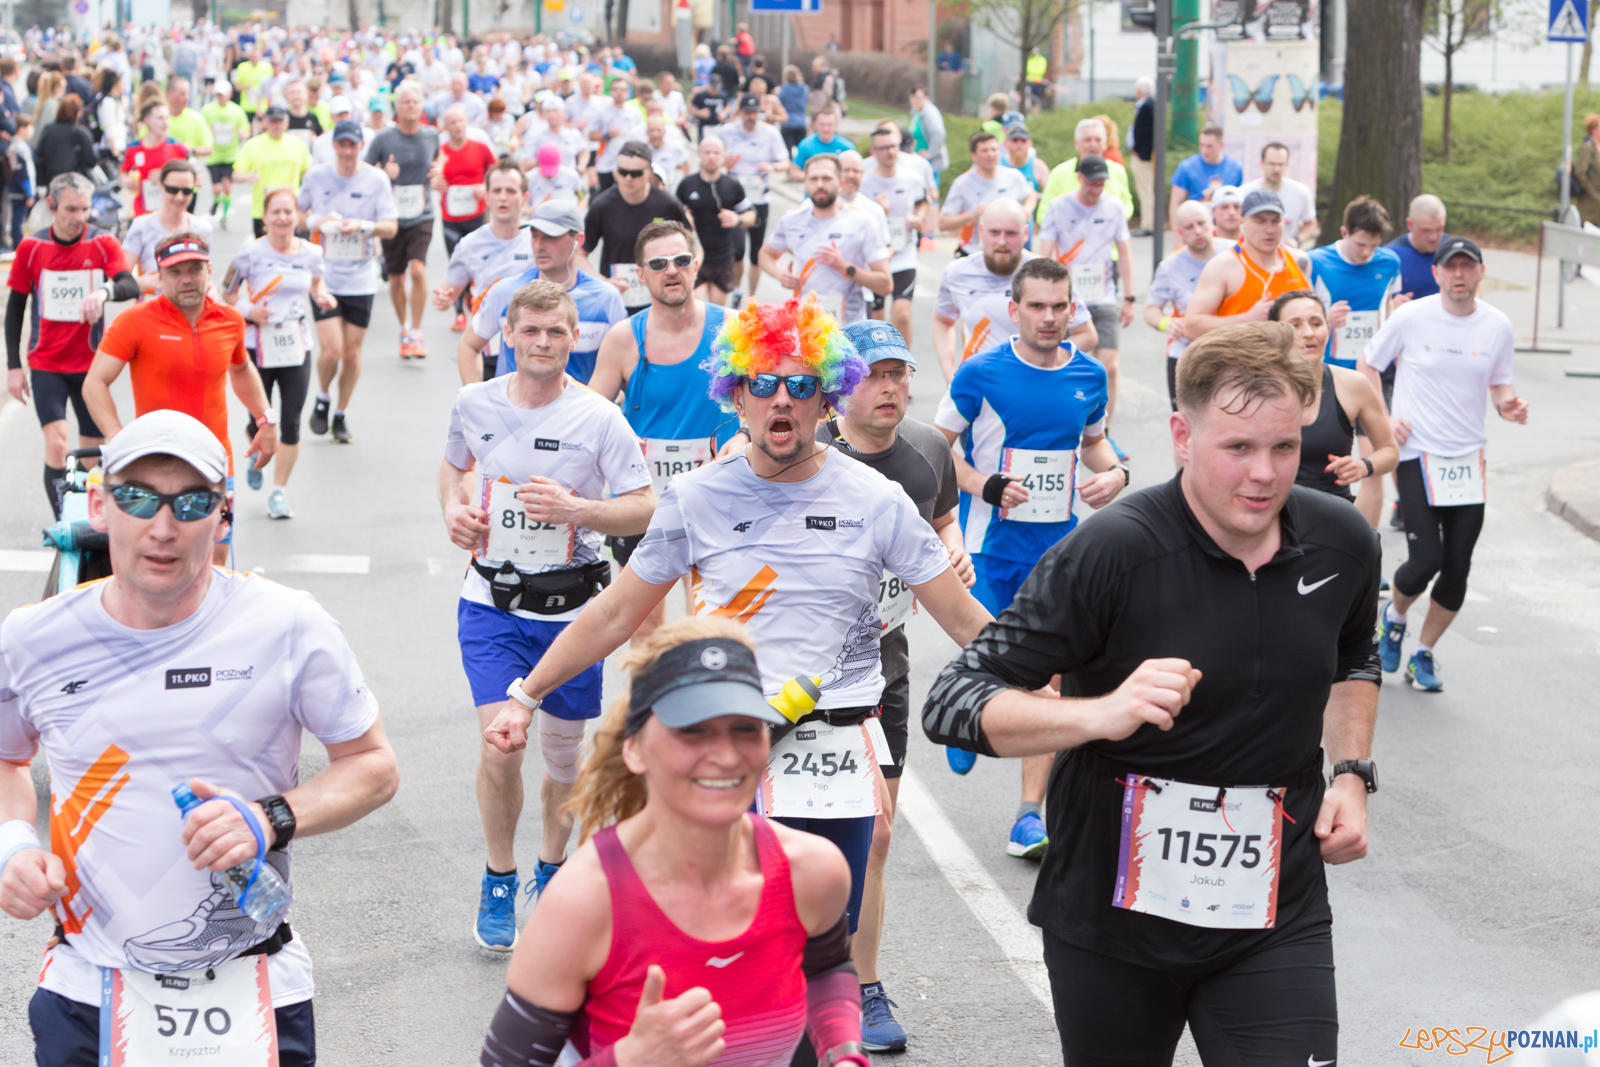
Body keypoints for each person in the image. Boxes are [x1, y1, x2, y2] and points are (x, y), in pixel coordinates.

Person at [923, 320, 1379, 1067]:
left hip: (1275, 910)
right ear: (1180, 434)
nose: (1264, 473)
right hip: (1113, 920)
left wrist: (1353, 775)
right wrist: (1098, 713)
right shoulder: (1113, 550)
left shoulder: (1341, 541)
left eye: (1284, 447)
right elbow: (955, 698)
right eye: (1237, 447)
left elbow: (1355, 653)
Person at [484, 293, 994, 951]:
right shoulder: (697, 497)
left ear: (827, 397)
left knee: (823, 941)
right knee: (725, 937)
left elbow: (961, 616)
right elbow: (614, 612)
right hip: (723, 740)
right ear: (738, 395)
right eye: (764, 383)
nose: (782, 398)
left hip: (835, 743)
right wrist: (526, 696)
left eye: (802, 384)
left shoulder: (878, 500)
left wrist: (1046, 685)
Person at [0, 406, 398, 1067]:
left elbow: (374, 764)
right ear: (98, 506)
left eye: (190, 502)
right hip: (88, 987)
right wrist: (12, 846)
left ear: (225, 513)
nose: (162, 527)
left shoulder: (288, 625)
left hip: (253, 982)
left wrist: (270, 817)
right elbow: (7, 761)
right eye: (136, 498)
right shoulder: (33, 637)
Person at [475, 616, 869, 1067]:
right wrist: (631, 1060)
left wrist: (843, 1053)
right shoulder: (584, 903)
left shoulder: (811, 871)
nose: (724, 755)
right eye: (693, 730)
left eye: (745, 728)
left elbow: (826, 970)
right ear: (635, 749)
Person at [438, 279, 655, 950]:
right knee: (501, 744)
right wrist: (453, 511)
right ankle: (499, 873)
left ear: (573, 338)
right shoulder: (472, 402)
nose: (541, 342)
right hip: (492, 603)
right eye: (529, 330)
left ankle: (553, 865)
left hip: (573, 612)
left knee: (563, 759)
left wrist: (580, 510)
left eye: (554, 332)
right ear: (507, 334)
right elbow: (452, 468)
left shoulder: (597, 417)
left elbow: (645, 504)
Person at [931, 257, 1130, 853]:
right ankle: (967, 715)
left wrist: (1117, 473)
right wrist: (985, 486)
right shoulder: (980, 373)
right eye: (1037, 306)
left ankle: (1028, 816)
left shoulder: (1089, 376)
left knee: (1052, 683)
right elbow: (935, 451)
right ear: (1013, 311)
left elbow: (1094, 444)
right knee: (992, 662)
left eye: (1059, 306)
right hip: (992, 552)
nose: (1049, 317)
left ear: (1074, 309)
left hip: (1061, 554)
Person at [821, 319, 969, 1052]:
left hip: (886, 667)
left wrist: (952, 549)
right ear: (841, 383)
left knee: (874, 835)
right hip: (798, 681)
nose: (889, 387)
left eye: (899, 373)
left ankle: (861, 983)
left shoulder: (929, 450)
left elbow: (944, 519)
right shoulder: (807, 452)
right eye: (874, 374)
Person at [1363, 237, 1527, 693]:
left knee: (1458, 567)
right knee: (1425, 559)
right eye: (1450, 267)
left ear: (1480, 272)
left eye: (1467, 267)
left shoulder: (1497, 325)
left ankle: (1423, 653)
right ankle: (1393, 616)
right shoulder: (1412, 317)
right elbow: (1368, 364)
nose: (1459, 275)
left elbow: (1500, 384)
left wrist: (1508, 405)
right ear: (1436, 273)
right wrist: (1385, 417)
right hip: (1417, 452)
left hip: (1468, 458)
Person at [588, 219, 741, 625]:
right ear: (641, 276)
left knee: (710, 624)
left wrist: (742, 435)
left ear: (695, 266)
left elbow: (771, 401)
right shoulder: (623, 338)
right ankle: (648, 692)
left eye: (680, 260)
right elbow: (588, 417)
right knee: (643, 628)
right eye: (658, 264)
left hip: (718, 496)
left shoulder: (733, 329)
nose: (670, 270)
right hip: (644, 502)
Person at [84, 233, 279, 533]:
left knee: (215, 556)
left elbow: (240, 370)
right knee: (160, 554)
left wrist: (266, 419)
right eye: (175, 272)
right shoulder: (134, 321)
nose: (186, 279)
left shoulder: (230, 320)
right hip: (154, 464)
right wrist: (115, 434)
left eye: (194, 269)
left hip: (214, 461)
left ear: (209, 271)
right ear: (158, 278)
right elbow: (95, 382)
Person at [4, 172, 138, 517]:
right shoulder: (32, 247)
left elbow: (128, 284)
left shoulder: (102, 242)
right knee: (58, 443)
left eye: (84, 208)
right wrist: (13, 367)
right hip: (47, 362)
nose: (79, 216)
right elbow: (15, 308)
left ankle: (88, 515)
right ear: (52, 206)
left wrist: (103, 291)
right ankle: (65, 518)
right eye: (70, 209)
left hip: (92, 366)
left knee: (92, 452)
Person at [220, 187, 336, 519]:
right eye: (276, 212)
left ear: (296, 216)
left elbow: (316, 283)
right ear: (265, 217)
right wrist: (248, 309)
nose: (283, 218)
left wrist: (323, 296)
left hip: (295, 344)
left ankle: (279, 491)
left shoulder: (312, 253)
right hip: (257, 345)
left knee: (290, 422)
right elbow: (227, 293)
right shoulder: (248, 254)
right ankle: (258, 452)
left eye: (289, 212)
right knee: (256, 419)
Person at [299, 119, 400, 446]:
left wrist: (363, 225)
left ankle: (340, 414)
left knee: (352, 355)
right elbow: (297, 215)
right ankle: (322, 396)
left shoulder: (377, 179)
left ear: (360, 147)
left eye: (351, 145)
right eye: (341, 145)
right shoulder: (316, 176)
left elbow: (391, 226)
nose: (346, 151)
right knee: (331, 351)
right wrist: (319, 221)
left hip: (360, 278)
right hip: (323, 275)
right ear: (334, 147)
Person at [1308, 196, 1404, 531]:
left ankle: (1368, 553)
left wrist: (1397, 315)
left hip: (1370, 378)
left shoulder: (1389, 263)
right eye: (1361, 244)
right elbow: (1297, 315)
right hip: (1329, 378)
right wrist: (1323, 318)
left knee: (1372, 466)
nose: (1367, 252)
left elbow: (1390, 308)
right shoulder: (1316, 262)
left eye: (1373, 246)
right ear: (1344, 232)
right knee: (1323, 468)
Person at [930, 198, 1097, 383]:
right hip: (978, 385)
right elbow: (942, 321)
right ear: (981, 232)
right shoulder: (957, 272)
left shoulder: (1046, 273)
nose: (1002, 241)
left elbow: (1087, 335)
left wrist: (1044, 366)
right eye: (994, 232)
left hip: (1033, 386)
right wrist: (948, 371)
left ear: (1025, 233)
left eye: (1011, 233)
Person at [461, 200, 627, 385]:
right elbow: (468, 346)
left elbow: (624, 362)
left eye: (550, 237)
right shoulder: (505, 292)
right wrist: (476, 402)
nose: (539, 245)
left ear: (578, 240)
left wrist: (602, 407)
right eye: (534, 236)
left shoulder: (607, 298)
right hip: (513, 413)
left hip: (578, 413)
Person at [1037, 155, 1135, 454]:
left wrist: (1129, 297)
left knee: (1110, 366)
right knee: (1067, 363)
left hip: (1103, 296)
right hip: (1068, 299)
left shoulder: (1114, 207)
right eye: (1092, 182)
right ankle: (1069, 428)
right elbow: (1045, 253)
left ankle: (1104, 433)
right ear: (1079, 177)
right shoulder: (1058, 207)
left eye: (1101, 183)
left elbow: (1125, 252)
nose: (1097, 188)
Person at [1269, 290, 1398, 502]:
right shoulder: (1256, 390)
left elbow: (1389, 451)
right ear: (1276, 333)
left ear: (1328, 329)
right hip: (1271, 513)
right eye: (1295, 325)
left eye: (1316, 323)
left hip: (1331, 514)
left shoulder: (1353, 384)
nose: (1309, 332)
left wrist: (1362, 466)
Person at [760, 155, 891, 326]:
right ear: (805, 183)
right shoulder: (792, 220)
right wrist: (780, 275)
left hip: (850, 329)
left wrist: (846, 267)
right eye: (813, 179)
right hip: (806, 328)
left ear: (841, 183)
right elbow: (765, 254)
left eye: (827, 178)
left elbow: (885, 285)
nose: (820, 184)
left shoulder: (863, 222)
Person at [365, 80, 439, 359]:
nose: (411, 106)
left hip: (422, 214)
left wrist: (438, 172)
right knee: (396, 279)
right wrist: (385, 172)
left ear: (422, 106)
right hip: (392, 217)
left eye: (415, 102)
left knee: (418, 270)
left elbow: (438, 160)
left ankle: (417, 332)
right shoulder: (384, 138)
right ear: (396, 106)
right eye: (405, 102)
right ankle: (403, 328)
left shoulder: (431, 135)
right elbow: (367, 171)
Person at [1183, 188, 1311, 339]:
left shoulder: (1299, 261)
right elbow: (1191, 327)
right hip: (1240, 360)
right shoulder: (1223, 266)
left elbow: (1311, 316)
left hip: (1288, 360)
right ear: (1241, 221)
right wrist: (1246, 319)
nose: (1269, 229)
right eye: (1260, 221)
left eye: (1275, 221)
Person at [581, 141, 689, 316]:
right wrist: (604, 283)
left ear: (649, 172)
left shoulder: (667, 204)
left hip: (659, 300)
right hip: (618, 299)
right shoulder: (602, 205)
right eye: (623, 172)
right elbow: (579, 255)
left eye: (635, 173)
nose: (628, 178)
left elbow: (692, 247)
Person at [862, 122, 937, 343]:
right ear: (874, 152)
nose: (890, 152)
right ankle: (877, 365)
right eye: (883, 148)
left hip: (903, 253)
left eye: (893, 146)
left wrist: (919, 217)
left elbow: (922, 202)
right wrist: (877, 210)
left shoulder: (911, 177)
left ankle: (905, 367)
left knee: (901, 314)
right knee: (876, 318)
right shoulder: (865, 182)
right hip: (876, 258)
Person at [1145, 200, 1221, 413]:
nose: (1197, 231)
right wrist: (1166, 323)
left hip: (1231, 350)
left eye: (1201, 223)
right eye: (1189, 227)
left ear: (1211, 222)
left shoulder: (1233, 252)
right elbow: (1151, 308)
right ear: (1179, 232)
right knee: (1186, 422)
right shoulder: (1170, 266)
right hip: (1186, 353)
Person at [433, 106, 504, 330]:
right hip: (450, 216)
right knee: (457, 261)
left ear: (467, 122)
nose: (457, 126)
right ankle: (459, 314)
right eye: (452, 123)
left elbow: (496, 172)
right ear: (446, 126)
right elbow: (432, 176)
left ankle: (474, 301)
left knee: (479, 261)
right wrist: (436, 183)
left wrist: (485, 186)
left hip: (476, 213)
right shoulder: (440, 151)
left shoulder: (480, 147)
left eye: (460, 121)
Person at [714, 93, 788, 306]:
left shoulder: (770, 133)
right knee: (737, 250)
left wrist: (772, 167)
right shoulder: (727, 132)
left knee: (756, 253)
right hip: (734, 197)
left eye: (755, 112)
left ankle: (751, 296)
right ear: (740, 112)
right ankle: (737, 289)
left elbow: (784, 161)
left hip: (760, 198)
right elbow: (711, 157)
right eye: (747, 112)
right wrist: (722, 162)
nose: (751, 116)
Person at [674, 135, 754, 306]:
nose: (712, 156)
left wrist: (738, 219)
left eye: (716, 152)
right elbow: (672, 217)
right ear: (699, 155)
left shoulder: (732, 186)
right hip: (696, 257)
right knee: (698, 310)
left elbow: (751, 216)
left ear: (723, 156)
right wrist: (683, 219)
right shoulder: (687, 185)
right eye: (707, 152)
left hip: (723, 258)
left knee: (717, 315)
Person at [122, 159, 214, 295]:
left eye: (187, 191)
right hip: (151, 311)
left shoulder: (202, 228)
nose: (179, 197)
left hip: (190, 312)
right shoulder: (142, 225)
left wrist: (212, 290)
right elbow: (121, 279)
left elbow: (206, 276)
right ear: (161, 185)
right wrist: (151, 281)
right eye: (172, 190)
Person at [940, 130, 1035, 257]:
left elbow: (1031, 195)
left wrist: (1026, 211)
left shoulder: (1013, 176)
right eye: (985, 151)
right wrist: (973, 213)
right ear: (974, 156)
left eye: (994, 150)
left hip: (1007, 254)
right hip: (974, 253)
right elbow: (943, 223)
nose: (990, 154)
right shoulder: (962, 184)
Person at [1035, 117, 1134, 227]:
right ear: (1076, 144)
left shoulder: (1117, 171)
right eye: (1087, 140)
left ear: (1105, 144)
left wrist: (1116, 220)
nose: (1093, 144)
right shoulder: (1059, 173)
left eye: (1098, 140)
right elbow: (1043, 213)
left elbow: (1127, 204)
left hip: (1108, 243)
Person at [232, 104, 312, 238]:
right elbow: (235, 174)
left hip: (291, 210)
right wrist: (246, 177)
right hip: (263, 211)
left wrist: (308, 202)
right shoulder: (252, 144)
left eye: (280, 121)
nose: (277, 125)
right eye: (273, 121)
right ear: (265, 122)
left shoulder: (298, 144)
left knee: (292, 253)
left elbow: (308, 174)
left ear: (287, 122)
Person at [1239, 142, 1317, 248]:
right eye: (1272, 164)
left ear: (1287, 165)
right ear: (1261, 164)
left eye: (1281, 164)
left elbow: (1311, 223)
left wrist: (1297, 240)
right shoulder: (1244, 192)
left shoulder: (1301, 192)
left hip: (1287, 252)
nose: (1276, 169)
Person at [1168, 122, 1244, 226]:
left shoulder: (1236, 168)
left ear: (1221, 145)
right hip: (1197, 227)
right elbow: (1175, 203)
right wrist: (1178, 236)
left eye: (1209, 146)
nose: (1204, 150)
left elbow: (1241, 203)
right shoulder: (1187, 166)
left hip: (1226, 229)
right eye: (1202, 145)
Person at [201, 80, 249, 229]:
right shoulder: (208, 110)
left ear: (229, 94)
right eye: (218, 95)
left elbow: (246, 131)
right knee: (217, 188)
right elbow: (201, 129)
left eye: (223, 94)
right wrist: (209, 133)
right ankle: (216, 201)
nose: (220, 97)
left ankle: (224, 216)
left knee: (227, 187)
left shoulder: (236, 111)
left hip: (230, 155)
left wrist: (242, 134)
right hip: (214, 155)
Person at [32, 94, 97, 192]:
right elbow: (90, 160)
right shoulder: (81, 133)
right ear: (77, 113)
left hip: (51, 183)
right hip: (75, 186)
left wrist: (41, 183)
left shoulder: (48, 130)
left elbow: (39, 158)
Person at [164, 76, 214, 169]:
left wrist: (192, 150)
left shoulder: (196, 118)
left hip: (188, 173)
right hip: (163, 173)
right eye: (182, 94)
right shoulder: (159, 117)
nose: (186, 98)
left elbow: (209, 149)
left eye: (188, 93)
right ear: (170, 95)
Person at [790, 105, 851, 179]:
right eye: (822, 124)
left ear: (836, 125)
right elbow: (793, 173)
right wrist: (816, 177)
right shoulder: (805, 145)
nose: (825, 128)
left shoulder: (847, 147)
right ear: (815, 124)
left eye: (829, 125)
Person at [1128, 77, 1155, 234]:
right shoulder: (1148, 106)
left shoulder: (1147, 107)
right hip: (1143, 155)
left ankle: (1147, 224)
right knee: (1146, 189)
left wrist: (1140, 151)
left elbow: (1145, 133)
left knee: (1145, 190)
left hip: (1143, 156)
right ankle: (1148, 223)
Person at [908, 85, 948, 184]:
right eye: (912, 97)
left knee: (930, 192)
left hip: (929, 162)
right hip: (917, 160)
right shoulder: (917, 112)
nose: (915, 100)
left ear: (926, 98)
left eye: (918, 97)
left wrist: (930, 153)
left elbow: (938, 133)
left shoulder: (929, 112)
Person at [1574, 113, 1600, 227]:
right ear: (1594, 130)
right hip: (1590, 206)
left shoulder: (1597, 148)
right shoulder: (1587, 148)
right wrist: (1594, 193)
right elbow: (1581, 173)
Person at [778, 65, 809, 156]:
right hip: (801, 122)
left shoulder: (784, 89)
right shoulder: (804, 88)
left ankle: (789, 168)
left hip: (788, 122)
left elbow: (780, 102)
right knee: (801, 149)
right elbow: (806, 101)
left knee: (787, 150)